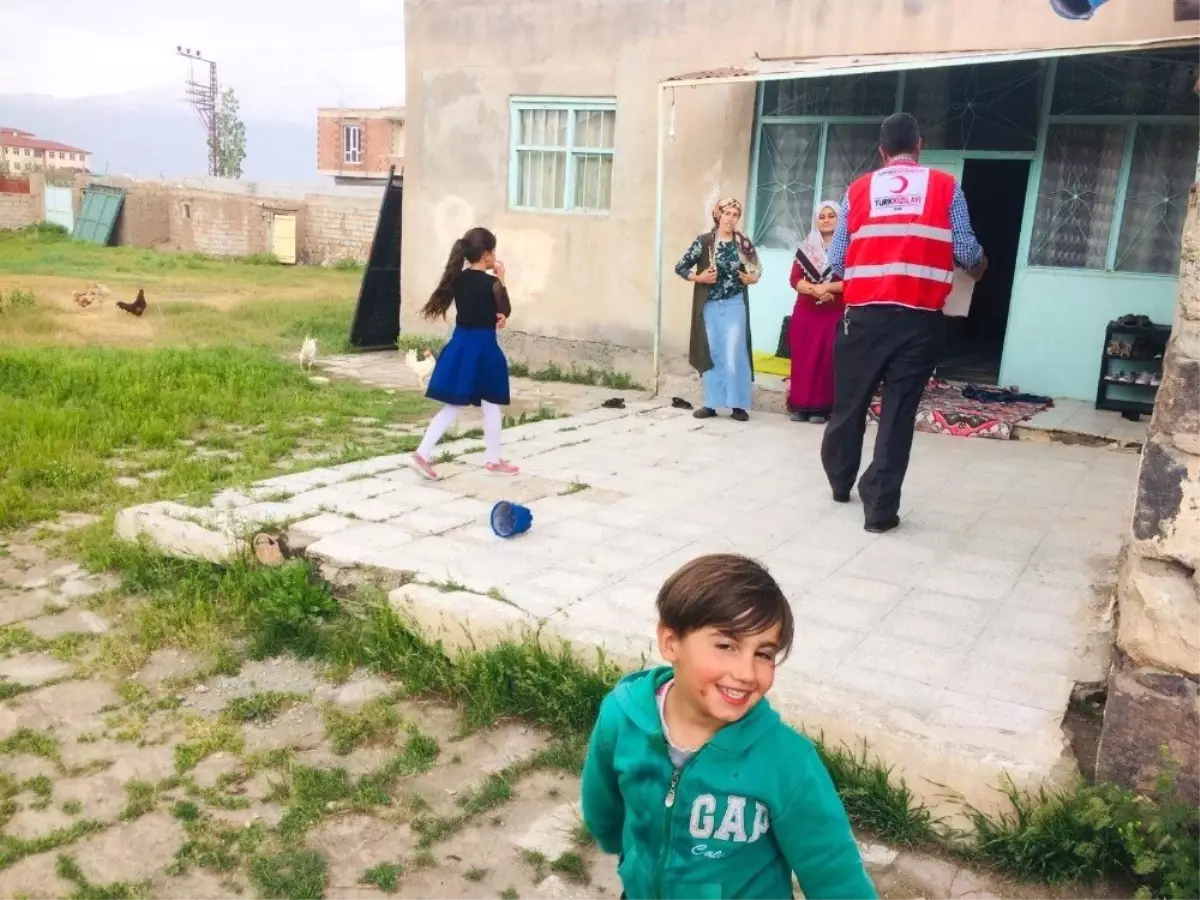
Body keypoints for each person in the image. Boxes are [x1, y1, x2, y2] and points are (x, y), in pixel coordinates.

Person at [581, 553, 876, 900]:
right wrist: (629, 857)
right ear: (670, 642)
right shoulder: (622, 716)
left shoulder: (787, 762)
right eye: (727, 645)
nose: (747, 673)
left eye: (763, 653)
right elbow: (603, 802)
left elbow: (833, 870)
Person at [822, 113, 987, 534]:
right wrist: (981, 264)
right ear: (919, 145)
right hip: (919, 322)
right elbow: (968, 252)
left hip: (864, 318)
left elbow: (837, 259)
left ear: (881, 151)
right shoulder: (947, 187)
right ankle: (879, 510)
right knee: (897, 415)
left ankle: (840, 483)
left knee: (849, 404)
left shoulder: (857, 190)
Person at [410, 227, 518, 481]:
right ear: (487, 254)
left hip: (461, 343)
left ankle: (428, 453)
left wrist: (496, 314)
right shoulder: (491, 283)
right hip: (483, 347)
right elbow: (504, 308)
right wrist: (501, 279)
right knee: (490, 401)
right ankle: (426, 454)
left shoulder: (457, 279)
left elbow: (482, 308)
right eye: (493, 252)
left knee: (457, 403)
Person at [675, 199, 762, 422]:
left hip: (734, 303)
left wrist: (752, 278)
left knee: (735, 352)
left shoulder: (742, 243)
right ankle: (711, 404)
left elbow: (756, 270)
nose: (731, 218)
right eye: (727, 213)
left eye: (735, 214)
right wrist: (699, 277)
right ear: (718, 215)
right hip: (711, 305)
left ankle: (738, 405)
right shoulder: (704, 242)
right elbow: (681, 267)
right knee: (712, 352)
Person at [788, 201, 844, 424]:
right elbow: (794, 279)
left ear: (839, 220)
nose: (827, 219)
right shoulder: (806, 248)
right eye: (822, 216)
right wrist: (816, 290)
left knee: (826, 359)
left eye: (832, 216)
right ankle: (800, 406)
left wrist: (827, 288)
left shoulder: (846, 249)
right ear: (816, 220)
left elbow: (852, 282)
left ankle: (821, 408)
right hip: (806, 312)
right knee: (803, 357)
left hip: (833, 314)